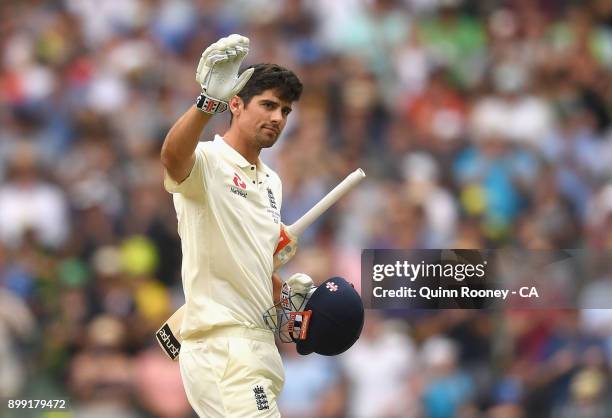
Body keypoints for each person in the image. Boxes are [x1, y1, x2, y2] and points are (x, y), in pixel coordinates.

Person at [160, 34, 303, 417]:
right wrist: (207, 103)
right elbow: (172, 158)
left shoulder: (272, 181)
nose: (277, 118)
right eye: (269, 105)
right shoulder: (207, 159)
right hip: (222, 346)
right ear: (235, 104)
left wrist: (287, 299)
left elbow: (252, 274)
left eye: (285, 111)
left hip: (258, 347)